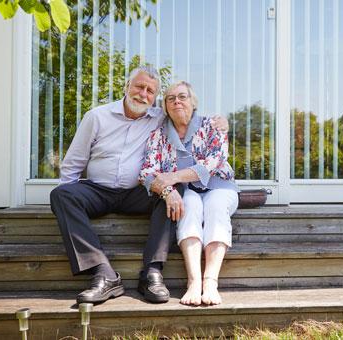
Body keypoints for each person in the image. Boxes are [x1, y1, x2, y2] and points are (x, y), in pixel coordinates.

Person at [50, 66, 229, 305]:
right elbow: (74, 163)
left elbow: (184, 113)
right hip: (98, 190)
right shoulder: (97, 116)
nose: (143, 94)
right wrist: (70, 207)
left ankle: (152, 272)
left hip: (137, 192)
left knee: (173, 193)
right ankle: (104, 273)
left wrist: (222, 121)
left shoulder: (158, 117)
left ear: (155, 99)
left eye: (150, 91)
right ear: (127, 87)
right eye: (139, 87)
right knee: (62, 195)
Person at [139, 80, 238, 306]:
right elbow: (147, 172)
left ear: (193, 102)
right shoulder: (158, 135)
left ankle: (210, 281)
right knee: (189, 206)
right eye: (171, 98)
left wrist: (172, 177)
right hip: (185, 191)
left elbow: (214, 162)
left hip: (218, 185)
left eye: (182, 97)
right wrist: (166, 189)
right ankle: (194, 282)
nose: (177, 101)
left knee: (214, 206)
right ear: (165, 107)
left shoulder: (213, 126)